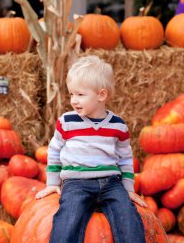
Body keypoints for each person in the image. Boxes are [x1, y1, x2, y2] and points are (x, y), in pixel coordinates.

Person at [35, 55, 147, 243]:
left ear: (101, 95)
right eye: (71, 94)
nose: (74, 100)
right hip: (77, 183)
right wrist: (52, 183)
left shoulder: (118, 125)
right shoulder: (67, 122)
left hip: (111, 183)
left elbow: (125, 158)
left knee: (129, 219)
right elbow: (54, 151)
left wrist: (128, 188)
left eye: (80, 95)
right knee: (67, 221)